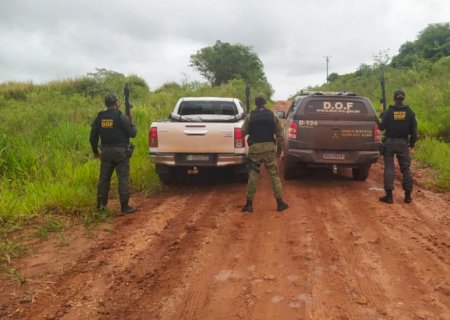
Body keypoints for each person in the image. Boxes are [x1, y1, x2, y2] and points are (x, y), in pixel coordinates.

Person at [89, 94, 138, 214]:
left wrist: (96, 151)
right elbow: (133, 134)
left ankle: (100, 207)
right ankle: (124, 207)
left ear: (106, 104)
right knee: (123, 179)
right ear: (116, 104)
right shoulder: (121, 117)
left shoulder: (99, 118)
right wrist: (132, 122)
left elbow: (92, 138)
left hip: (105, 153)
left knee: (104, 180)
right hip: (121, 153)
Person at [241, 94, 288, 213]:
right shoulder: (272, 115)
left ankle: (249, 204)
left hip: (255, 149)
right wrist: (279, 150)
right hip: (269, 149)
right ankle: (280, 203)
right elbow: (279, 134)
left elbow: (242, 132)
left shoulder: (250, 115)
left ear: (256, 103)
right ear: (265, 102)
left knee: (253, 176)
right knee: (274, 175)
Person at [378, 90, 418, 204]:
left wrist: (377, 118)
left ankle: (389, 196)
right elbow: (415, 134)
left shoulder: (388, 112)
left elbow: (381, 127)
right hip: (403, 143)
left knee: (389, 168)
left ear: (394, 98)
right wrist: (411, 144)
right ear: (404, 98)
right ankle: (408, 196)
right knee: (406, 169)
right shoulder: (410, 113)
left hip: (389, 143)